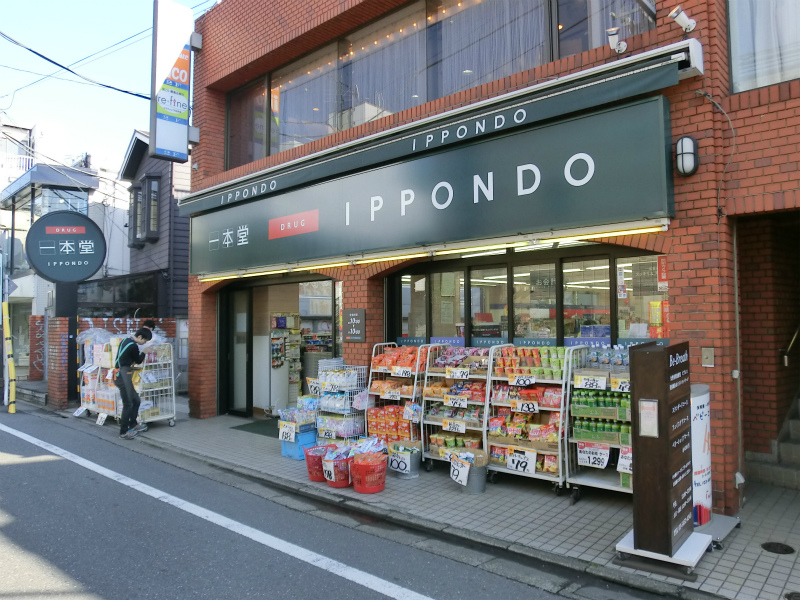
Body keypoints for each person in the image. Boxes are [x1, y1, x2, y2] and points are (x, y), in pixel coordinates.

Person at [115, 327, 152, 440]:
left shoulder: (125, 340)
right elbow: (139, 360)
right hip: (122, 376)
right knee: (128, 403)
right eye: (144, 341)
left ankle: (133, 424)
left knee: (136, 400)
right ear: (140, 337)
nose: (144, 343)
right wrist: (144, 352)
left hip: (121, 374)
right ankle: (124, 432)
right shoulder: (133, 346)